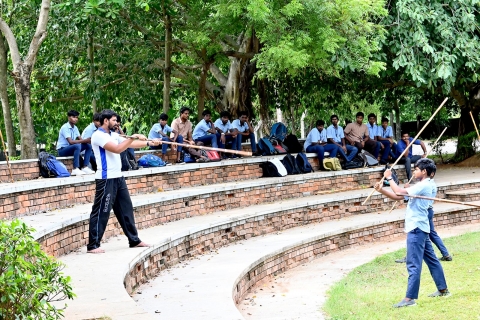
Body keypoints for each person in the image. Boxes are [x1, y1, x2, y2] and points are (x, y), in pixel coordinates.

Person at [374, 158, 450, 308]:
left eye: (416, 169)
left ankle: (409, 299)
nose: (414, 171)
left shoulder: (424, 185)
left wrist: (389, 177)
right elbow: (398, 197)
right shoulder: (423, 185)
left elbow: (399, 191)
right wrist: (381, 189)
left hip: (416, 228)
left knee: (413, 263)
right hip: (421, 227)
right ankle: (443, 289)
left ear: (424, 172)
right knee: (432, 259)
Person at [87, 109, 162, 253]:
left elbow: (131, 145)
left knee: (126, 208)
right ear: (106, 121)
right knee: (102, 211)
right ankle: (93, 245)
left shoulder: (114, 135)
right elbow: (117, 149)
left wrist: (151, 142)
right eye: (114, 120)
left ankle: (134, 240)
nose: (116, 123)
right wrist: (132, 137)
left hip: (118, 178)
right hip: (105, 178)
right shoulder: (98, 136)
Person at [395, 169, 452, 263]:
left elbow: (414, 193)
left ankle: (410, 256)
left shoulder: (428, 185)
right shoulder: (427, 184)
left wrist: (407, 190)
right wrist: (408, 189)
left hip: (425, 211)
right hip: (428, 210)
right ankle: (445, 254)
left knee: (421, 234)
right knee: (431, 234)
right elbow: (414, 194)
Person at [56, 110, 95, 176]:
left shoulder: (75, 128)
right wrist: (85, 140)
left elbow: (81, 140)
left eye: (77, 117)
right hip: (62, 150)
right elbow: (71, 142)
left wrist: (88, 141)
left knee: (88, 146)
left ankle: (85, 167)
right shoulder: (65, 127)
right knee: (77, 146)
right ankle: (75, 169)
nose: (75, 119)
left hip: (71, 148)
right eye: (73, 117)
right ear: (69, 117)